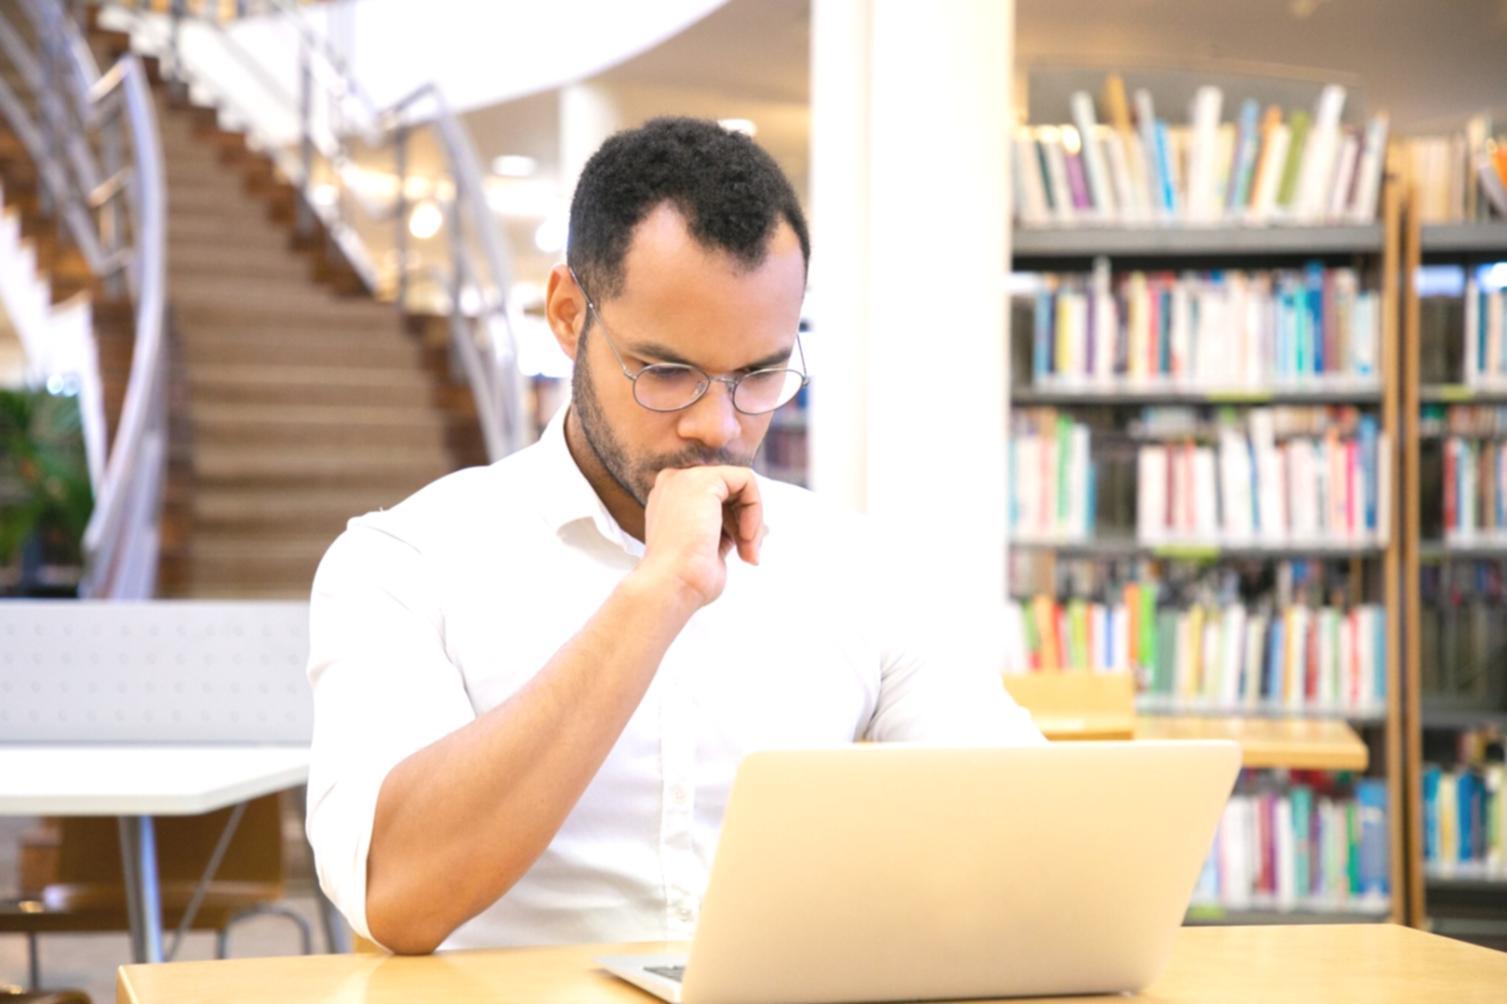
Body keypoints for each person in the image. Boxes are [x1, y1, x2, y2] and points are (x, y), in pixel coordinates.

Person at [305, 116, 1044, 956]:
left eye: (760, 375)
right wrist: (657, 594)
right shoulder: (405, 562)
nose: (716, 424)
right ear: (566, 313)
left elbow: (1025, 829)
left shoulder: (852, 566)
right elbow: (395, 891)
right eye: (666, 371)